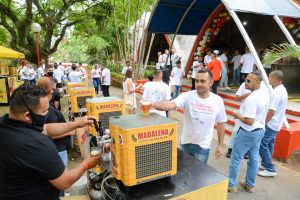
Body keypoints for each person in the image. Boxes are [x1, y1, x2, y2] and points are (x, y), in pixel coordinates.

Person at [0, 84, 99, 200]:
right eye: (44, 111)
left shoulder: (5, 123)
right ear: (27, 115)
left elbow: (46, 128)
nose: (47, 114)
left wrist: (77, 124)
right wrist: (86, 164)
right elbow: (64, 181)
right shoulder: (37, 144)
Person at [151, 68, 227, 164]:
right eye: (197, 81)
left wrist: (220, 145)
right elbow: (171, 104)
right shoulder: (187, 96)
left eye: (203, 81)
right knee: (182, 174)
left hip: (203, 147)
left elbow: (221, 124)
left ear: (211, 83)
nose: (199, 84)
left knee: (199, 175)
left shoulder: (217, 101)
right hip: (185, 144)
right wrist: (153, 104)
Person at [228, 71, 269, 193]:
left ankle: (231, 185)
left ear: (257, 82)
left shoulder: (252, 98)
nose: (246, 83)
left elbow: (249, 121)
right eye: (246, 80)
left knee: (236, 158)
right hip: (260, 130)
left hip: (248, 131)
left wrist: (237, 115)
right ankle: (250, 184)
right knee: (254, 159)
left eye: (249, 81)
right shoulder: (264, 93)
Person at [36, 77, 71, 196]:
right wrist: (69, 131)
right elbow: (48, 132)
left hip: (57, 148)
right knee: (60, 180)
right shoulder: (48, 110)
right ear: (50, 90)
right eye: (52, 88)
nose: (54, 91)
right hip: (58, 149)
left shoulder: (45, 105)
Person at [258, 70, 288, 177]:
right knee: (269, 144)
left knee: (262, 145)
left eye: (270, 77)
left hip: (271, 123)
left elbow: (271, 110)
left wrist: (264, 123)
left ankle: (270, 169)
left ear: (275, 79)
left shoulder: (276, 92)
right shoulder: (282, 89)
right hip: (276, 123)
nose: (268, 79)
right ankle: (266, 165)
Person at [226, 82, 251, 158]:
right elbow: (236, 98)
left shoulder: (263, 87)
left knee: (249, 132)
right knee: (235, 131)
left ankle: (246, 151)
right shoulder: (245, 84)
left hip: (254, 116)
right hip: (242, 113)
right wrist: (248, 94)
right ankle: (230, 149)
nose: (248, 81)